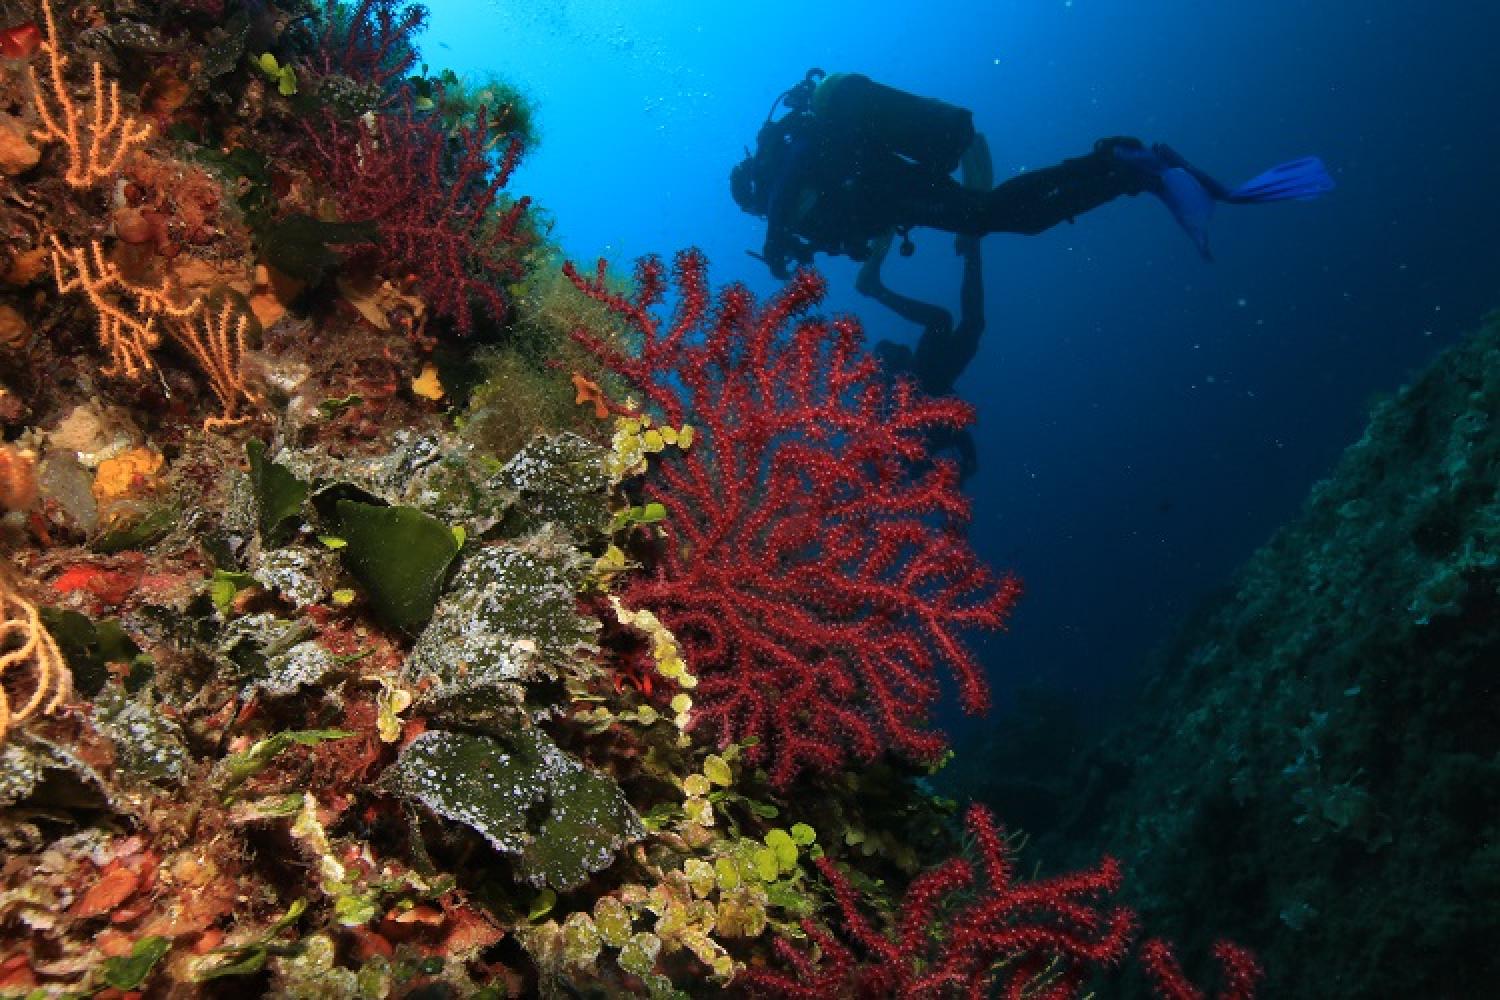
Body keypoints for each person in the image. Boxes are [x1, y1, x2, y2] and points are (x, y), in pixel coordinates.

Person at [730, 69, 1334, 277]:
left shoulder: (785, 166)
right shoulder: (799, 182)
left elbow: (797, 176)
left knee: (993, 215)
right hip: (895, 195)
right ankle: (1121, 170)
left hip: (893, 186)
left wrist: (775, 235)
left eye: (759, 207)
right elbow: (857, 219)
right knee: (1005, 220)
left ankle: (1114, 164)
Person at [860, 136, 993, 483]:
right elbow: (960, 439)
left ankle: (877, 289)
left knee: (946, 320)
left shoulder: (904, 443)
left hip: (928, 377)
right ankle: (971, 245)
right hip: (938, 378)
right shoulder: (924, 446)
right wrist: (966, 464)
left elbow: (956, 439)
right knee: (968, 323)